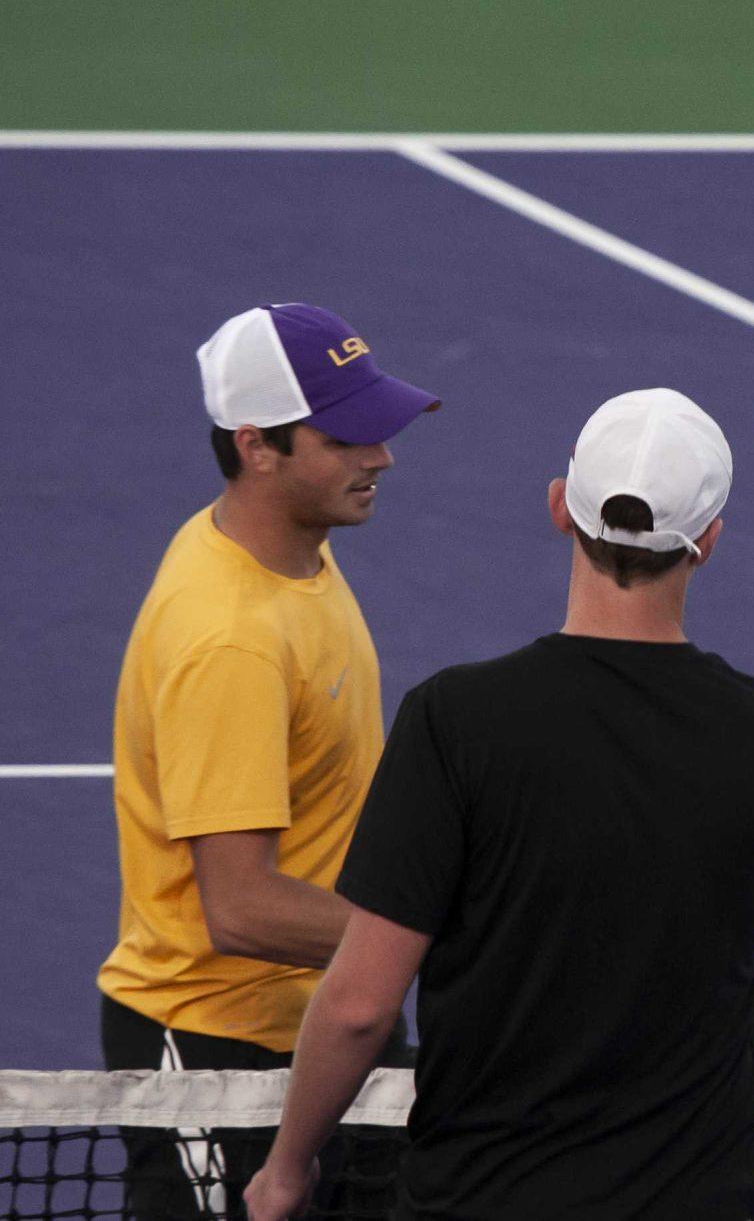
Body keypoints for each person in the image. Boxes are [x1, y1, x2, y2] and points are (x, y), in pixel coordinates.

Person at [241, 389, 754, 1221]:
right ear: (709, 542)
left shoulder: (454, 721)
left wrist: (286, 1167)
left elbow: (361, 1004)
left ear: (558, 509)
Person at [98, 303, 440, 1218]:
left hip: (331, 1020)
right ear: (258, 447)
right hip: (219, 1053)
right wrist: (443, 936)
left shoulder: (292, 555)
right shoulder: (232, 643)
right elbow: (241, 907)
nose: (381, 456)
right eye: (348, 437)